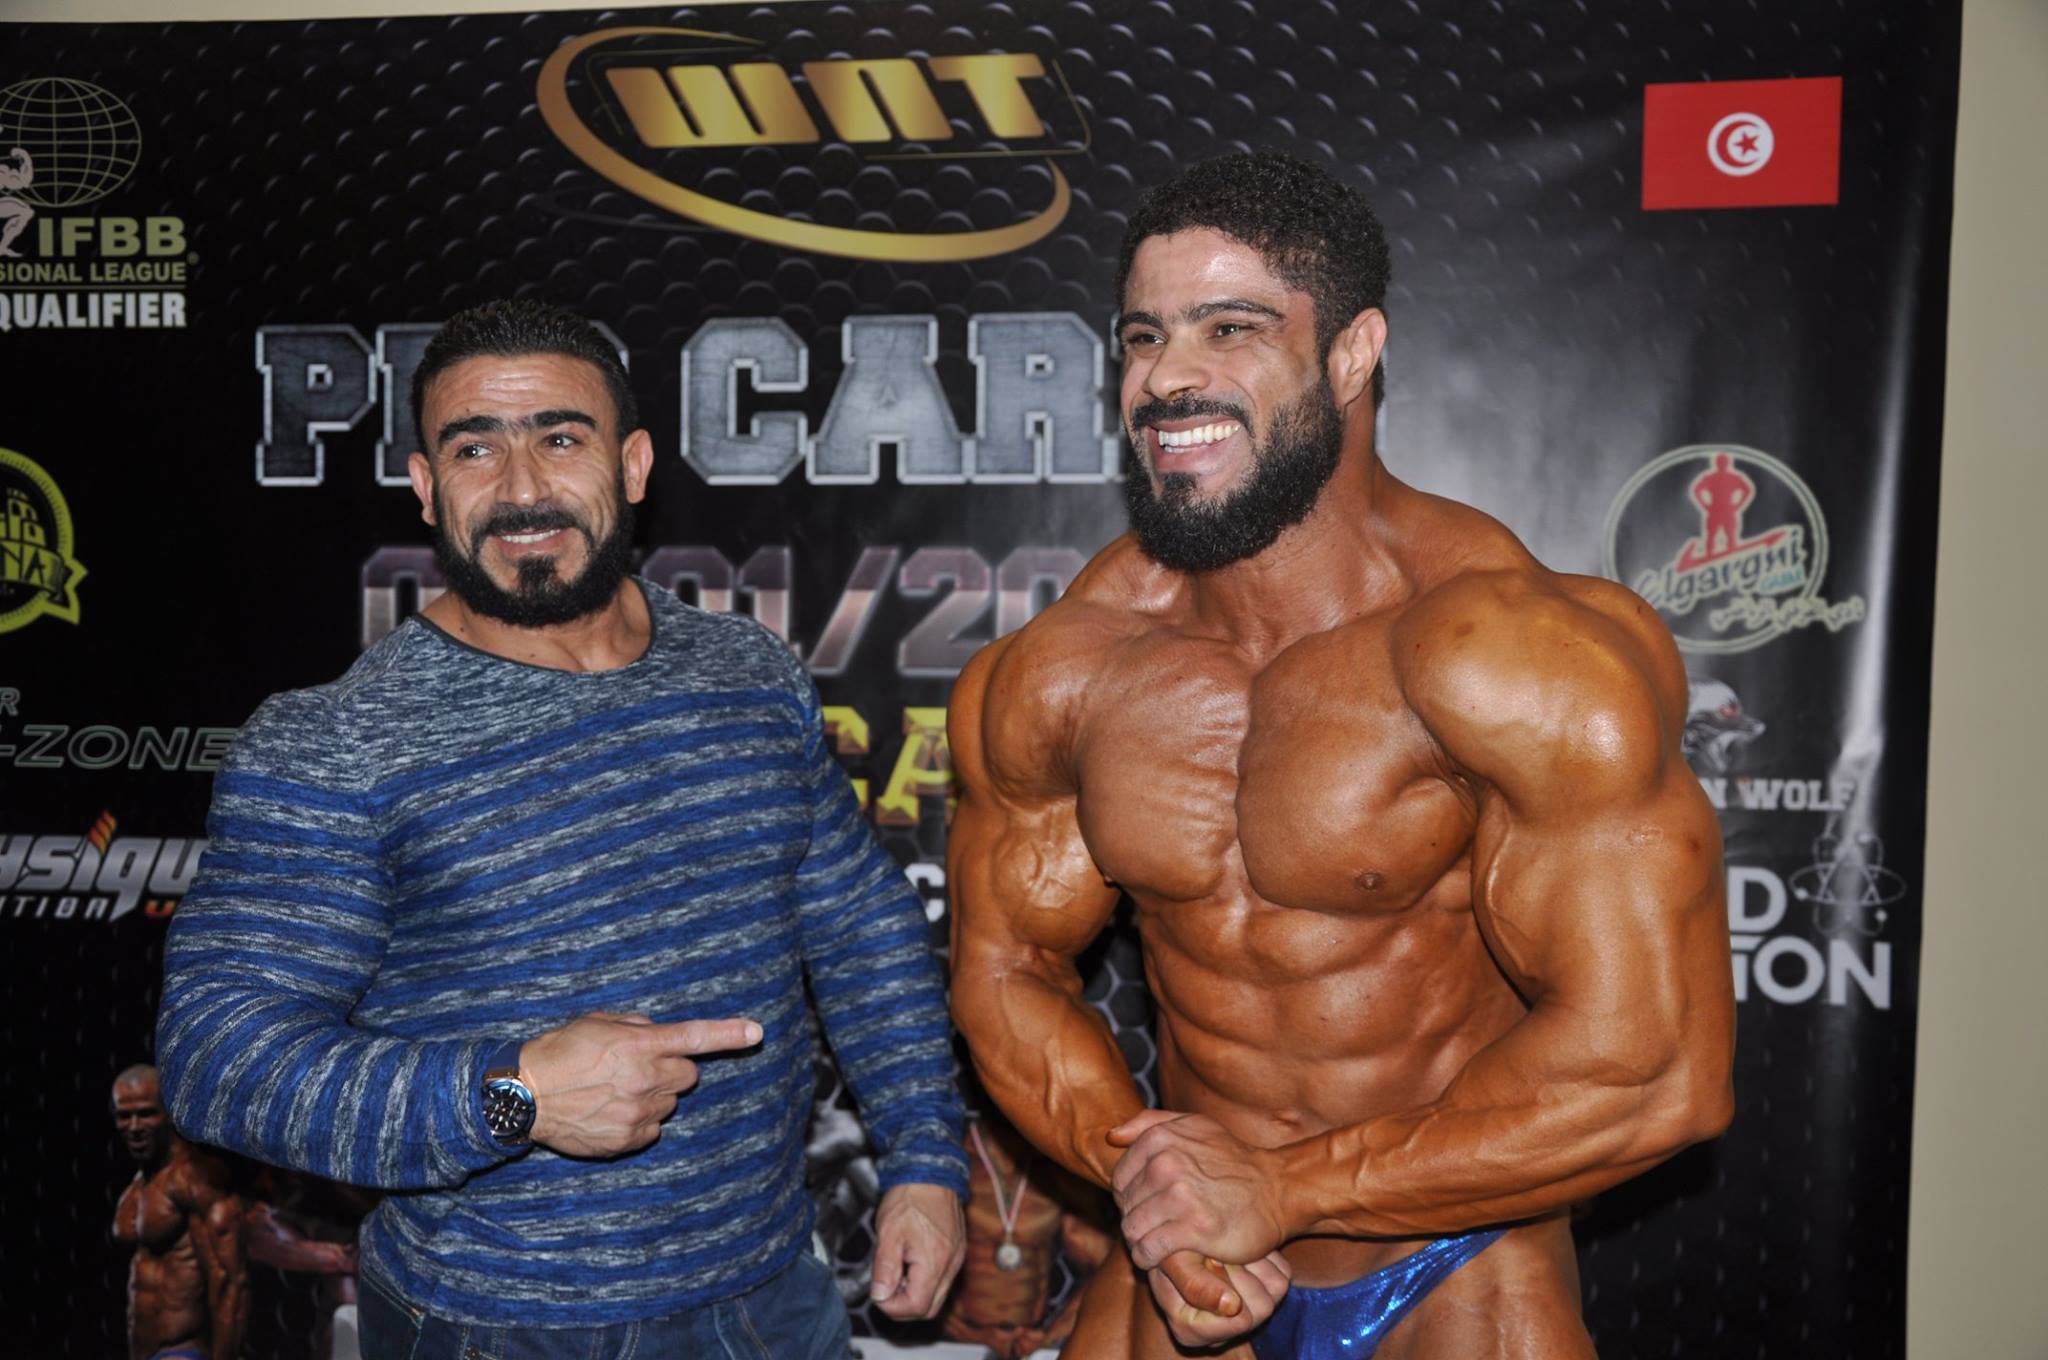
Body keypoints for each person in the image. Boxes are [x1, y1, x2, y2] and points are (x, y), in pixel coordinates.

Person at [947, 151, 1737, 1359]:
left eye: (1229, 329)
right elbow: (1004, 974)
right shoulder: (1067, 669)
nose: (1167, 376)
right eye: (1143, 336)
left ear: (1353, 352)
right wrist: (1153, 1182)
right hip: (1195, 1255)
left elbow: (1656, 1071)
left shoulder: (1505, 656)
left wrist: (1283, 1189)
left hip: (1448, 1258)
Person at [156, 299, 968, 1358]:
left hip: (778, 1296)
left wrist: (924, 1156)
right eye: (475, 448)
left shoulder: (747, 673)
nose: (521, 488)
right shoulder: (337, 741)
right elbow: (217, 1060)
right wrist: (516, 1095)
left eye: (559, 438)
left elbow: (856, 923)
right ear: (424, 486)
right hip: (500, 1326)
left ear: (632, 465)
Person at [111, 1065, 248, 1360]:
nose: (134, 1126)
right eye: (124, 1116)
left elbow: (229, 1280)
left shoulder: (195, 1179)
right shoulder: (136, 1188)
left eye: (146, 1113)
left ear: (170, 1113)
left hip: (185, 1350)